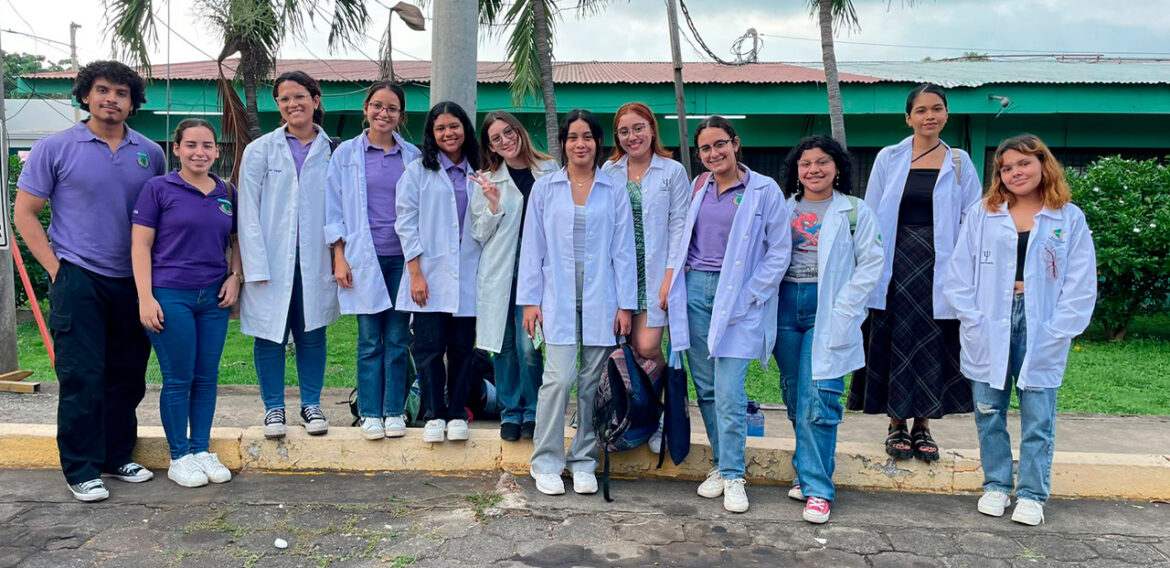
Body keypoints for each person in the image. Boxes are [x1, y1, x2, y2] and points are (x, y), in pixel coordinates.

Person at [14, 61, 165, 502]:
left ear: (133, 102)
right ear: (85, 96)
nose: (111, 99)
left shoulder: (150, 152)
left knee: (126, 374)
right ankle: (80, 468)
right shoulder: (55, 147)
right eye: (102, 90)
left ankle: (115, 455)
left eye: (121, 93)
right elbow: (26, 212)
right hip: (78, 275)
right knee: (82, 375)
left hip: (133, 280)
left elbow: (158, 216)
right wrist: (56, 267)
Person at [945, 134, 1096, 526]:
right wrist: (972, 316)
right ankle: (996, 485)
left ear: (1043, 164)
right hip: (989, 319)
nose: (1015, 172)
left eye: (1024, 164)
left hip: (1041, 319)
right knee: (988, 409)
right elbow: (960, 272)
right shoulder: (985, 212)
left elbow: (1080, 282)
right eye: (1006, 167)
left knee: (1038, 412)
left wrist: (1060, 326)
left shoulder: (1068, 216)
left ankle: (1031, 493)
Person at [847, 83, 982, 462]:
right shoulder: (889, 158)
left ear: (946, 115)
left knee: (932, 340)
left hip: (941, 265)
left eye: (936, 109)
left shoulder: (959, 161)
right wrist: (865, 265)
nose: (929, 116)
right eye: (921, 110)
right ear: (908, 118)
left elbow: (972, 218)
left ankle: (923, 425)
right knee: (895, 337)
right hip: (894, 263)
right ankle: (895, 425)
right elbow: (871, 213)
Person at [664, 116, 791, 513]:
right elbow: (682, 238)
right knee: (706, 387)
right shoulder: (699, 186)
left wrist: (752, 294)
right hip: (696, 290)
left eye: (720, 144)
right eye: (705, 148)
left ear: (735, 144)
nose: (714, 153)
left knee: (731, 389)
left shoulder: (763, 189)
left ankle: (735, 475)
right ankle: (721, 464)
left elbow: (779, 250)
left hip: (737, 297)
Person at [518, 109, 636, 496]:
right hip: (557, 296)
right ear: (564, 143)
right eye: (573, 137)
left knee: (591, 384)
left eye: (587, 137)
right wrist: (530, 301)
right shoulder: (546, 187)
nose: (580, 144)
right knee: (558, 380)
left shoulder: (612, 188)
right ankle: (547, 460)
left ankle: (584, 458)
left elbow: (623, 250)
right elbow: (533, 247)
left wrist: (625, 305)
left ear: (597, 143)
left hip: (602, 296)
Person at [774, 135, 884, 523]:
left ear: (838, 167)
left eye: (823, 162)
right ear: (796, 171)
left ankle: (818, 489)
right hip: (785, 306)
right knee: (794, 395)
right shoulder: (783, 208)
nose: (814, 170)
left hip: (829, 306)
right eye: (806, 164)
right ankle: (807, 469)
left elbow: (872, 262)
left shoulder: (855, 211)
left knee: (819, 397)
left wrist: (845, 306)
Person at [131, 119, 241, 488]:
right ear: (176, 149)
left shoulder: (226, 191)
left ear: (216, 150)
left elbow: (237, 240)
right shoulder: (158, 188)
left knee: (207, 377)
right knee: (179, 377)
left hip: (213, 297)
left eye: (207, 145)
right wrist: (145, 297)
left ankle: (200, 448)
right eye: (191, 145)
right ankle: (179, 455)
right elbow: (140, 245)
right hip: (169, 294)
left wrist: (234, 276)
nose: (200, 152)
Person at [238, 71, 340, 439]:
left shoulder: (334, 150)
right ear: (277, 105)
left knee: (312, 331)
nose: (292, 104)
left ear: (316, 99)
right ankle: (274, 409)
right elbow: (248, 209)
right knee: (269, 335)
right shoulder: (260, 149)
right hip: (271, 259)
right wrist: (253, 265)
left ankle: (311, 404)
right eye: (284, 99)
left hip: (317, 259)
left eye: (300, 96)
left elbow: (341, 207)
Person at [325, 82, 421, 440]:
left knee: (397, 339)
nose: (384, 113)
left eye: (392, 108)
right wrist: (339, 257)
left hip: (402, 259)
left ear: (401, 116)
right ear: (366, 108)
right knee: (369, 340)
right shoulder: (346, 155)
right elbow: (333, 208)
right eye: (377, 106)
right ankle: (369, 413)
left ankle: (393, 410)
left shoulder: (411, 156)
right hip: (362, 257)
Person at [395, 101, 482, 443]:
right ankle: (433, 413)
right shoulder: (418, 171)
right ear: (432, 134)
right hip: (427, 273)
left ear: (465, 129)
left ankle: (457, 412)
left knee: (463, 348)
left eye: (454, 126)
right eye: (441, 128)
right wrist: (416, 272)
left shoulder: (480, 170)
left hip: (467, 274)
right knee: (429, 349)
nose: (448, 133)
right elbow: (406, 222)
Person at [469, 111, 557, 442]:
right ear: (490, 145)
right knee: (502, 346)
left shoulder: (548, 171)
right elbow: (478, 233)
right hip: (499, 272)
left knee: (529, 346)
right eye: (496, 138)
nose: (505, 140)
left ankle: (533, 410)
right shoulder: (488, 178)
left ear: (518, 131)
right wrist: (493, 204)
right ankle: (510, 412)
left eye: (508, 132)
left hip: (535, 272)